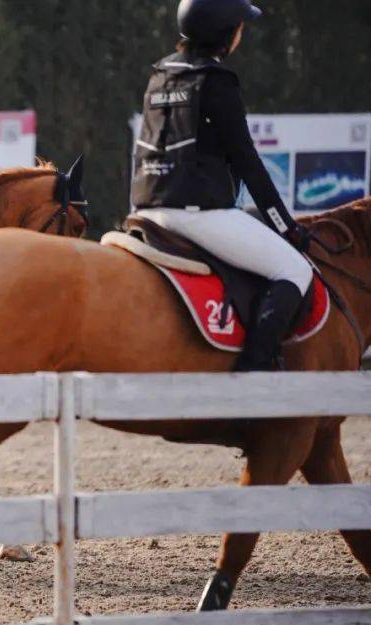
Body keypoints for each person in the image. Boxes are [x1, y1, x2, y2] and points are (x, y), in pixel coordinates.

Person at [130, 0, 315, 371]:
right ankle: (254, 373)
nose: (241, 34)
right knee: (295, 270)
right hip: (196, 216)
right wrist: (287, 227)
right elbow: (247, 162)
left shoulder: (159, 74)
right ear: (225, 34)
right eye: (239, 27)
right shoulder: (216, 81)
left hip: (147, 209)